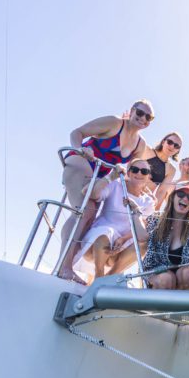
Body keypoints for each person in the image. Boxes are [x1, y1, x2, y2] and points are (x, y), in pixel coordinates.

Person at [57, 99, 153, 282]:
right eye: (140, 113)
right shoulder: (115, 123)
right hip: (82, 163)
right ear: (132, 111)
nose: (143, 118)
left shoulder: (140, 144)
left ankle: (71, 263)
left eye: (148, 117)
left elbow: (132, 170)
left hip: (101, 176)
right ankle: (65, 267)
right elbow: (77, 132)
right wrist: (81, 149)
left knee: (90, 216)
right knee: (85, 210)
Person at [73, 159, 155, 281]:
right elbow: (93, 194)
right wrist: (110, 177)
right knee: (106, 232)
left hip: (120, 248)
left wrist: (123, 238)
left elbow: (142, 228)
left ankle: (109, 277)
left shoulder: (148, 201)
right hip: (96, 243)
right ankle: (98, 276)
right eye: (135, 170)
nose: (139, 174)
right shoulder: (115, 185)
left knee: (144, 244)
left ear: (148, 176)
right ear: (128, 172)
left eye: (144, 171)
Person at [143, 182, 189, 290]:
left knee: (188, 274)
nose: (185, 199)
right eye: (181, 194)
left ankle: (182, 306)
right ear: (172, 197)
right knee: (166, 279)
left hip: (183, 271)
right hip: (155, 269)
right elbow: (142, 238)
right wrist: (135, 213)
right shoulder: (155, 218)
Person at [145, 132, 181, 197]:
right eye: (170, 142)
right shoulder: (146, 150)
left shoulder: (171, 170)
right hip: (124, 190)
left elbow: (161, 192)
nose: (172, 146)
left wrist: (154, 206)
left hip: (142, 201)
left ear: (178, 151)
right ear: (163, 142)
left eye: (176, 146)